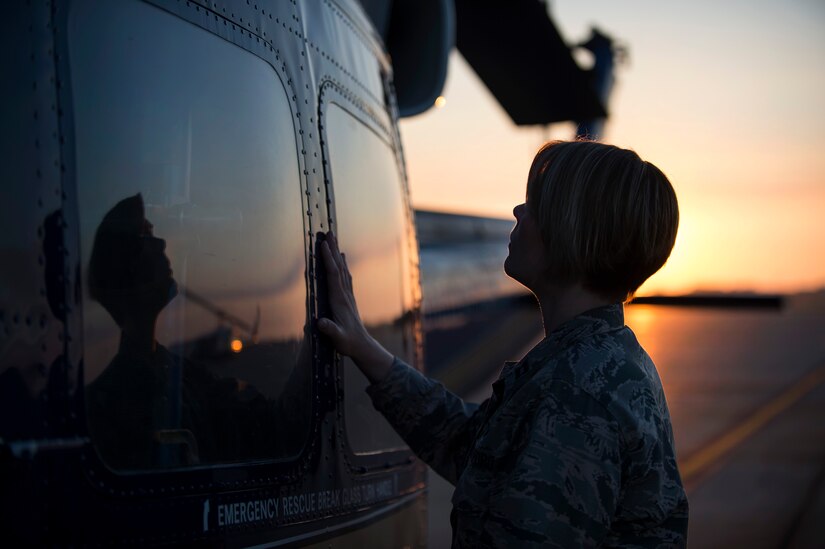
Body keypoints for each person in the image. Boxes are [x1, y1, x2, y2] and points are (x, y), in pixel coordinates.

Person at [317, 140, 689, 547]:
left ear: (572, 229)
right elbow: (471, 446)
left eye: (536, 203)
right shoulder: (600, 360)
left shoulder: (575, 394)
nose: (518, 211)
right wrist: (363, 346)